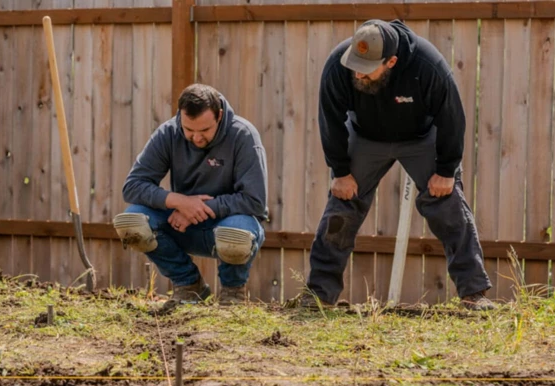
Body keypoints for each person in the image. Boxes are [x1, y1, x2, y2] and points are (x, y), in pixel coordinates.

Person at [303, 19, 496, 311]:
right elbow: (329, 120)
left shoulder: (427, 65)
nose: (357, 73)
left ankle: (474, 294)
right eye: (354, 64)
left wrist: (445, 171)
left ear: (391, 61)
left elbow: (452, 119)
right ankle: (319, 296)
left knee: (448, 205)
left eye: (366, 69)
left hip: (421, 137)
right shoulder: (338, 65)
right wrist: (340, 171)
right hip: (365, 138)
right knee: (342, 207)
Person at [115, 83, 268, 308]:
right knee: (132, 223)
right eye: (189, 130)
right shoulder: (168, 133)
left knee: (234, 235)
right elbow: (133, 186)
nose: (196, 137)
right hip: (182, 226)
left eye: (204, 131)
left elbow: (254, 201)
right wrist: (180, 202)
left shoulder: (243, 135)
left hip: (233, 225)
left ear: (219, 116)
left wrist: (198, 210)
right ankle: (188, 286)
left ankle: (232, 293)